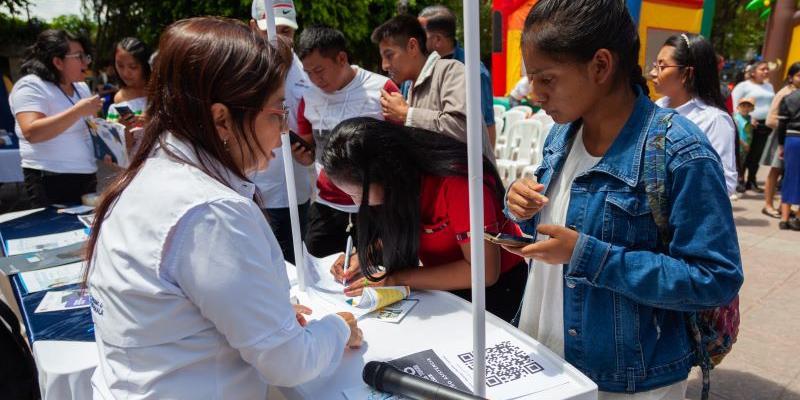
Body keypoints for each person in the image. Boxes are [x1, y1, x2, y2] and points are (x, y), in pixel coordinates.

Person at [85, 17, 362, 399]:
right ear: (221, 119)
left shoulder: (156, 172)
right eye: (277, 112)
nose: (283, 133)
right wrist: (339, 327)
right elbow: (289, 362)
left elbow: (186, 311)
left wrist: (267, 315)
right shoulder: (210, 211)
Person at [504, 1, 742, 398]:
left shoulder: (680, 152)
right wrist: (521, 204)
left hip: (627, 380)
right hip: (545, 357)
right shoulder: (561, 136)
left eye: (546, 78)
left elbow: (714, 279)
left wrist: (588, 255)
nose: (535, 93)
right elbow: (552, 231)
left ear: (600, 66)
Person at [325, 118, 528, 323]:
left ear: (385, 175)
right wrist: (365, 256)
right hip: (444, 291)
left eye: (356, 194)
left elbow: (483, 272)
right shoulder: (402, 185)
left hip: (496, 296)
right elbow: (405, 229)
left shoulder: (458, 183)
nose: (357, 202)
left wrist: (396, 279)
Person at [296, 25, 401, 258]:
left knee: (373, 282)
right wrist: (303, 155)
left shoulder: (381, 90)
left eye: (319, 70)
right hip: (326, 207)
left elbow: (402, 150)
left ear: (341, 58)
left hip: (374, 209)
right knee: (318, 278)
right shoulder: (308, 97)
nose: (314, 79)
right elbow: (308, 148)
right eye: (308, 72)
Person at [372, 15, 495, 161]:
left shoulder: (451, 71)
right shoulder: (411, 86)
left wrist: (407, 114)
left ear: (412, 46)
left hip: (467, 182)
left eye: (389, 55)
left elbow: (463, 128)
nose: (384, 65)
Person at [249, 0, 314, 264]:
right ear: (253, 28)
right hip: (253, 191)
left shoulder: (308, 72)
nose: (278, 39)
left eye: (286, 32)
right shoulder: (239, 70)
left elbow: (316, 130)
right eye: (270, 31)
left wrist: (310, 154)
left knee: (297, 267)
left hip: (296, 194)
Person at [9, 29, 103, 207]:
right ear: (58, 62)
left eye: (86, 56)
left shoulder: (81, 88)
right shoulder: (30, 86)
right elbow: (32, 132)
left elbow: (92, 129)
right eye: (79, 56)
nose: (86, 62)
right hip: (50, 179)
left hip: (86, 176)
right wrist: (77, 111)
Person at [650, 33, 738, 195]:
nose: (652, 73)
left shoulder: (714, 120)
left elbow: (725, 182)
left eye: (662, 66)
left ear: (686, 73)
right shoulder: (658, 106)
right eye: (655, 64)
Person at [416, 5, 497, 145]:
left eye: (419, 35)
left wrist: (485, 165)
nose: (414, 40)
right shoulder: (416, 69)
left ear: (438, 40)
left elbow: (487, 124)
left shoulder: (474, 72)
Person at [761, 62, 800, 218]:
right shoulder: (784, 93)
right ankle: (768, 205)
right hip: (781, 137)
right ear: (790, 77)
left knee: (790, 172)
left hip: (790, 137)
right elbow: (770, 119)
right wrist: (789, 126)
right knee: (775, 170)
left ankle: (783, 206)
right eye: (798, 75)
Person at [732, 60, 775, 192]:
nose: (766, 71)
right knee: (744, 153)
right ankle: (740, 180)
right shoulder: (743, 86)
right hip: (746, 124)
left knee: (757, 154)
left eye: (767, 69)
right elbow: (734, 105)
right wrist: (743, 119)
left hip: (764, 125)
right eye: (762, 69)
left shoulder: (769, 86)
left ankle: (752, 180)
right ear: (753, 72)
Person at [109, 37, 151, 155]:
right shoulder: (119, 98)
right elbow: (123, 146)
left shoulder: (159, 90)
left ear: (144, 65)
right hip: (136, 165)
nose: (125, 73)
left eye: (133, 67)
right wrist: (124, 128)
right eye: (120, 65)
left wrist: (153, 120)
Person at [775, 88, 800, 230]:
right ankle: (798, 217)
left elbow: (782, 124)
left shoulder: (789, 97)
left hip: (792, 138)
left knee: (789, 176)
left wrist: (780, 145)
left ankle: (784, 219)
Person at [735, 98, 756, 186]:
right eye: (743, 106)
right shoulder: (736, 118)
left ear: (752, 108)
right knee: (737, 165)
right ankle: (736, 185)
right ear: (738, 107)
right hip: (739, 146)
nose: (745, 108)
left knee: (742, 165)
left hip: (746, 147)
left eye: (748, 106)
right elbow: (735, 133)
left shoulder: (750, 119)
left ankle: (740, 183)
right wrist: (743, 143)